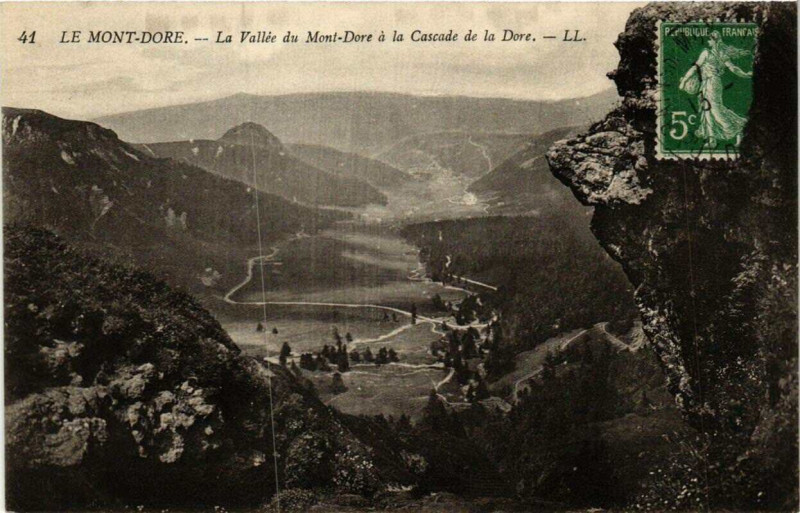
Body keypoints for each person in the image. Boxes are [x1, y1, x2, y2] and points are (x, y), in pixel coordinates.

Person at [679, 31, 752, 148]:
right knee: (706, 109)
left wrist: (684, 81)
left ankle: (737, 129)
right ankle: (711, 139)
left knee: (715, 110)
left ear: (714, 41)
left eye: (710, 40)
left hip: (711, 83)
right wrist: (745, 74)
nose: (708, 42)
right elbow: (734, 68)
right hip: (710, 83)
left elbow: (695, 67)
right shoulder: (722, 54)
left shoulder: (706, 53)